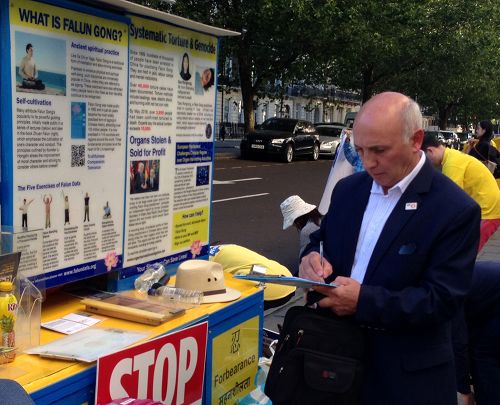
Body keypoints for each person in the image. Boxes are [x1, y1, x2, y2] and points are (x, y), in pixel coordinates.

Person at [299, 92, 481, 404]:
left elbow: (441, 301)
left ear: (416, 140)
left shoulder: (455, 209)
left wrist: (363, 301)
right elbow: (321, 241)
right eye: (360, 150)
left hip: (406, 380)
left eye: (379, 150)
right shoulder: (347, 190)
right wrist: (310, 260)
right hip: (334, 362)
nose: (368, 162)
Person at [422, 132, 500, 251]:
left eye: (424, 159)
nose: (427, 164)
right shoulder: (452, 156)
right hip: (487, 208)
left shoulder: (452, 164)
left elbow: (451, 202)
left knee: (464, 254)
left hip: (487, 212)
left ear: (430, 151)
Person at [453, 261, 500, 405]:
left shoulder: (446, 296)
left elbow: (458, 344)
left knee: (484, 356)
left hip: (493, 300)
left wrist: (465, 391)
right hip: (489, 299)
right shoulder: (444, 280)